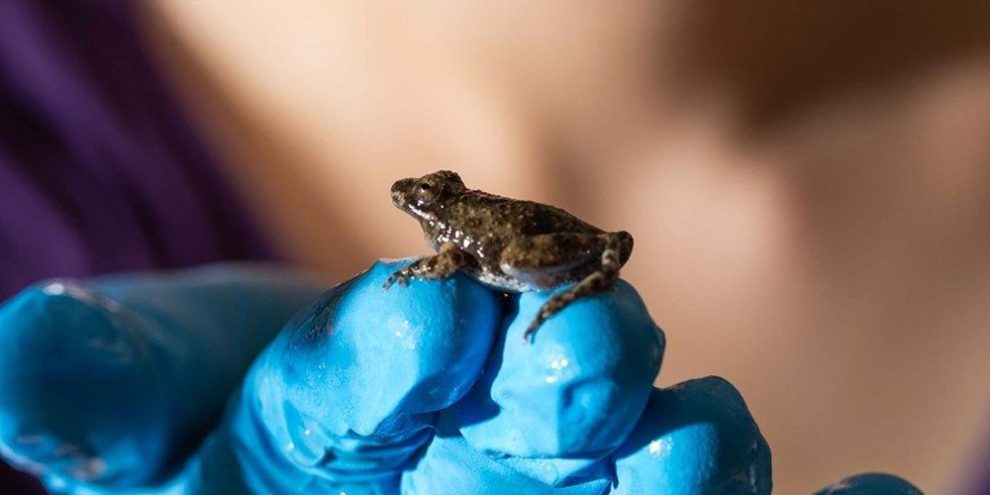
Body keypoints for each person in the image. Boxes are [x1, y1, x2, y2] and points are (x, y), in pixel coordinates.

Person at [1, 1, 987, 493]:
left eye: (428, 199)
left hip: (531, 254)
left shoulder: (459, 235)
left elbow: (459, 262)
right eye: (425, 200)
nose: (418, 206)